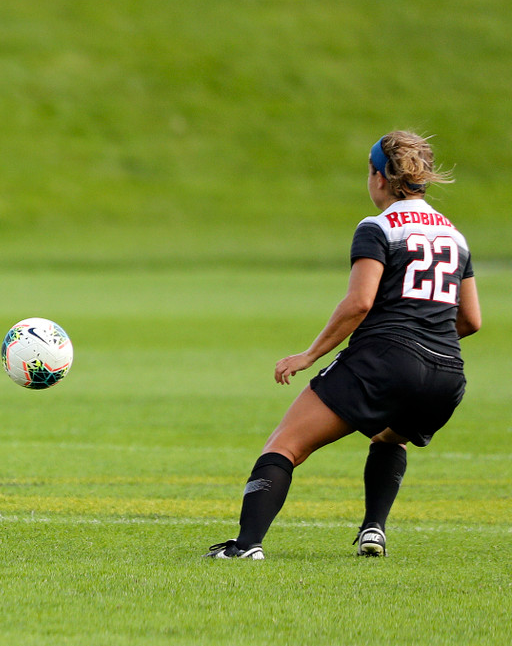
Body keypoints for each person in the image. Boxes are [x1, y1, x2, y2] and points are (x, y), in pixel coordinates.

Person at [205, 131, 481, 559]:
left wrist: (309, 354)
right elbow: (471, 320)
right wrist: (425, 343)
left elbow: (360, 302)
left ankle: (245, 546)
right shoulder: (455, 236)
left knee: (285, 445)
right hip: (447, 373)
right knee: (390, 438)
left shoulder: (378, 227)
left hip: (385, 359)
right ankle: (374, 529)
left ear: (379, 177)